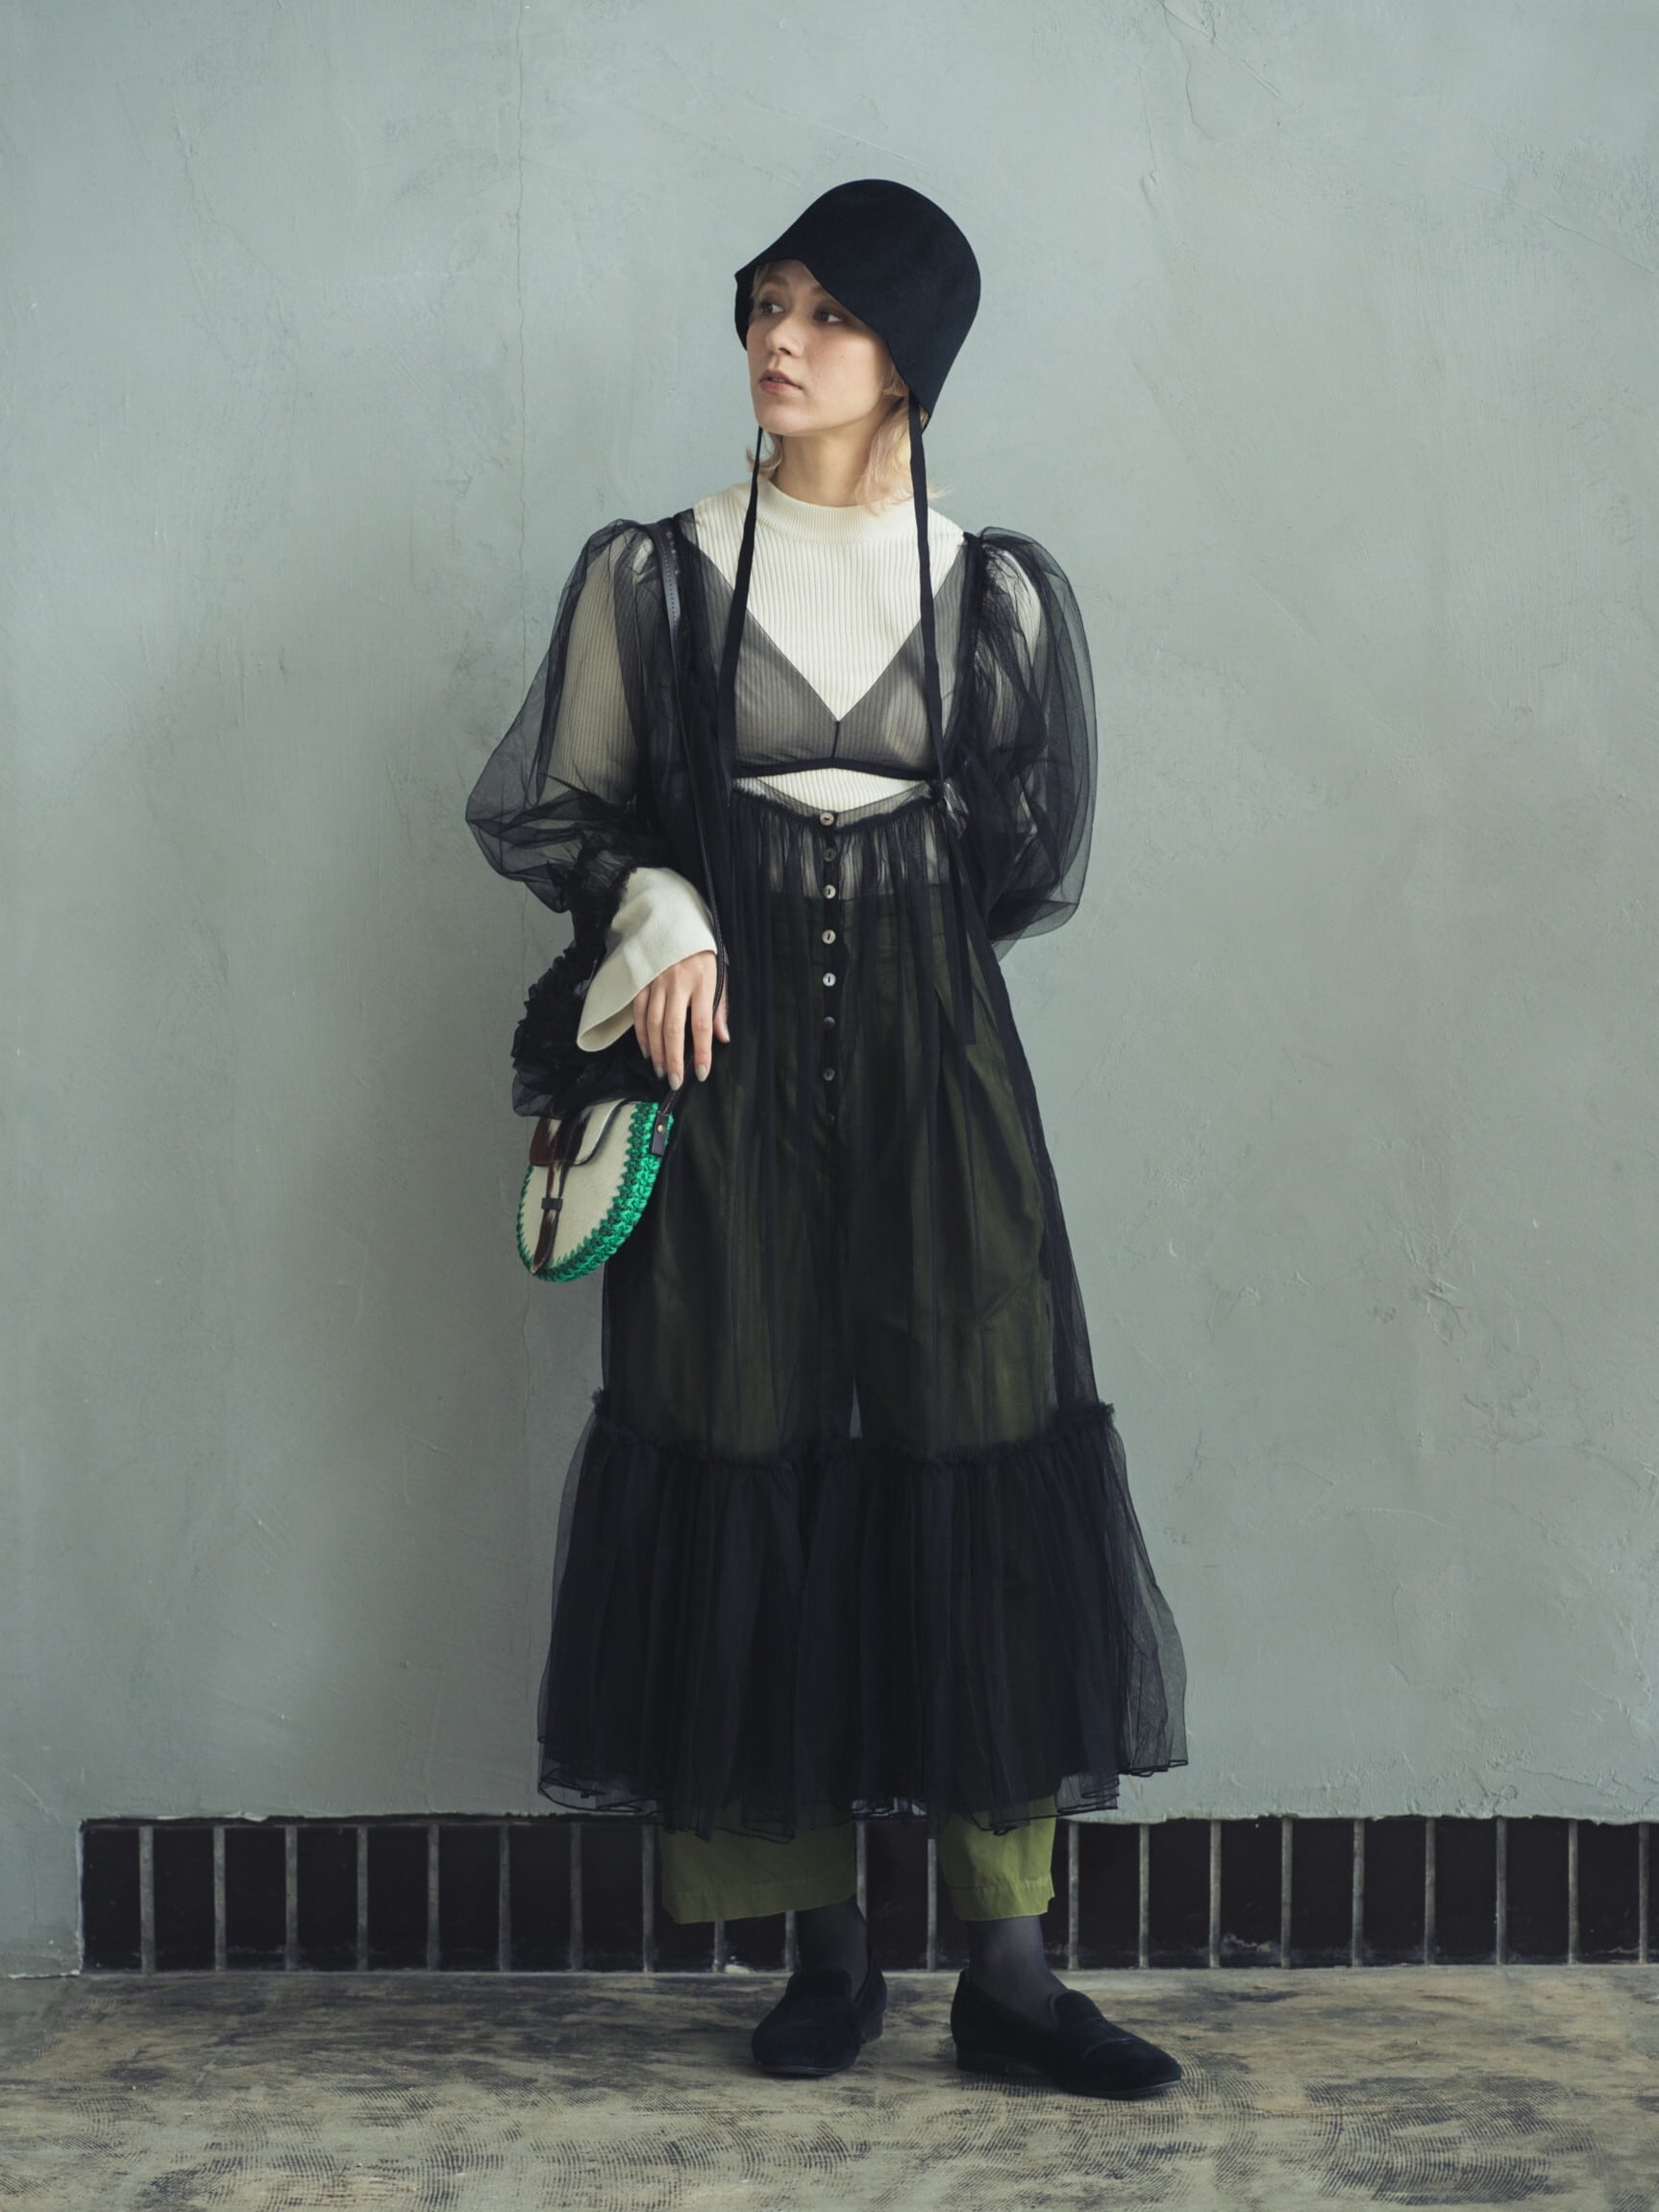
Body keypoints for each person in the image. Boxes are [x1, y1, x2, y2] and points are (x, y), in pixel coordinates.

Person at [466, 180, 1189, 2098]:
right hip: (723, 1092)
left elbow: (1012, 869)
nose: (778, 341)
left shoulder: (991, 590)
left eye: (827, 314)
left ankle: (1010, 1971)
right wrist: (662, 906)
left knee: (977, 1459)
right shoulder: (656, 575)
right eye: (765, 303)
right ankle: (821, 1947)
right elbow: (572, 817)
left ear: (907, 359)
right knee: (741, 1446)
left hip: (944, 1084)